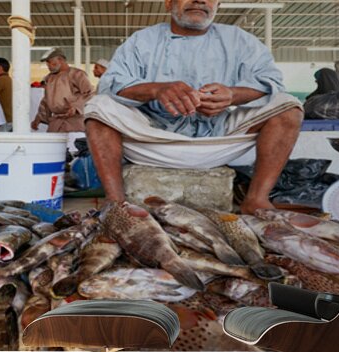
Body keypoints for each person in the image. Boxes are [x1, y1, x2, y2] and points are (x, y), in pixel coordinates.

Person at [85, 0, 303, 215]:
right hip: (151, 141)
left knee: (287, 106)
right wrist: (156, 90)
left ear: (218, 4)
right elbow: (111, 84)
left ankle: (256, 199)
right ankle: (116, 202)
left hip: (218, 139)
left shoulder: (239, 40)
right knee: (98, 106)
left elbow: (271, 82)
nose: (199, 0)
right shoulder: (142, 41)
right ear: (169, 3)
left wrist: (233, 95)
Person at [31, 48, 94, 150]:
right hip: (56, 123)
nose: (49, 67)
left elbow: (89, 93)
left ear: (60, 60)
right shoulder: (49, 78)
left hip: (75, 122)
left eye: (51, 63)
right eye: (47, 65)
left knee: (74, 152)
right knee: (54, 153)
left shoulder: (77, 74)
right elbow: (46, 100)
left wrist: (75, 107)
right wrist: (38, 118)